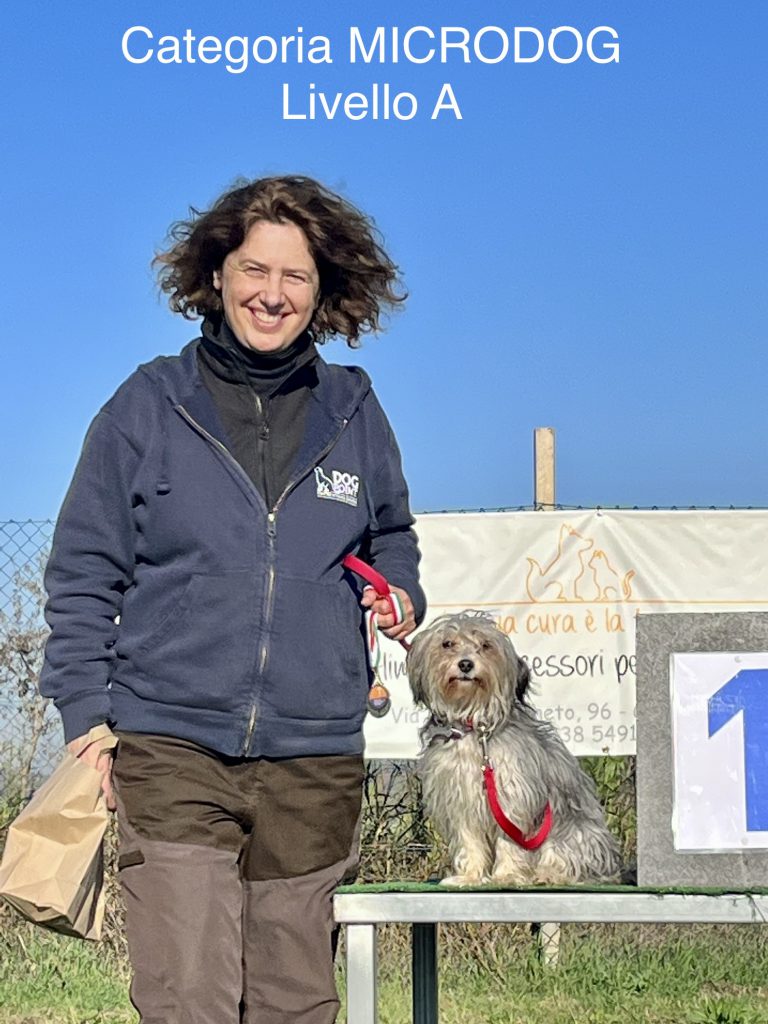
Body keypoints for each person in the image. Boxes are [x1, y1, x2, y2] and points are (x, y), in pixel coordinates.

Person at [38, 175, 426, 1024]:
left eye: (294, 276)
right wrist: (85, 717)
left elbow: (391, 537)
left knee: (295, 1005)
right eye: (254, 270)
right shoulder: (147, 406)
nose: (271, 294)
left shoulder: (355, 410)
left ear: (322, 290)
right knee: (190, 999)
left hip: (315, 758)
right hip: (171, 747)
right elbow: (83, 571)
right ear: (216, 275)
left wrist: (400, 589)